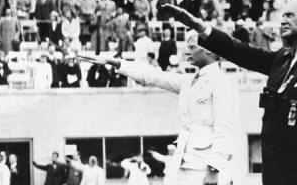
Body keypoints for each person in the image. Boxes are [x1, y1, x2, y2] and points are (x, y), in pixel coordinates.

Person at [162, 0, 297, 185]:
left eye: (289, 15)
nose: (282, 21)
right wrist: (200, 27)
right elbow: (242, 53)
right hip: (277, 168)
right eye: (282, 15)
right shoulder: (283, 57)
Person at [79, 32, 236, 185]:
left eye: (192, 47)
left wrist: (214, 169)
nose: (187, 51)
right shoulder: (188, 82)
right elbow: (153, 76)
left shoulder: (219, 81)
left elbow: (224, 128)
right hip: (183, 164)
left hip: (205, 167)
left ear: (208, 51)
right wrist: (114, 62)